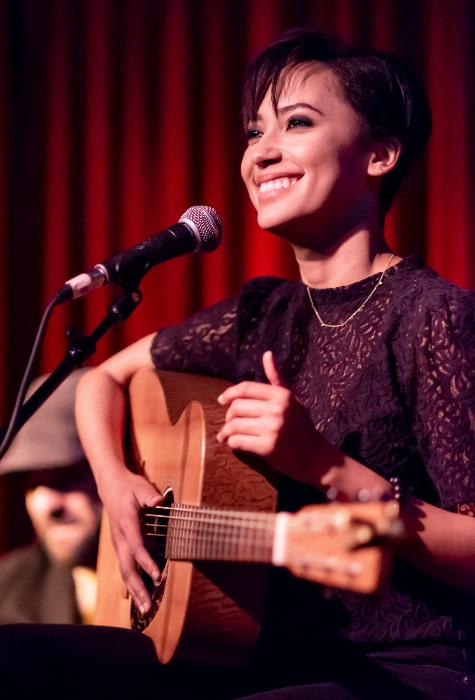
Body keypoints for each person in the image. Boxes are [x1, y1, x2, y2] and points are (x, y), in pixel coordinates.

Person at [47, 26, 475, 698]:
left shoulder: (433, 315)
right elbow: (100, 377)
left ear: (380, 154)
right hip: (250, 658)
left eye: (295, 124)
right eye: (253, 133)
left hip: (396, 673)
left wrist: (325, 466)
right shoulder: (260, 313)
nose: (260, 153)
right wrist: (116, 483)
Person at [0, 368, 103, 625]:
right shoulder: (9, 584)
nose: (47, 505)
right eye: (32, 485)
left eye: (65, 478)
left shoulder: (182, 589)